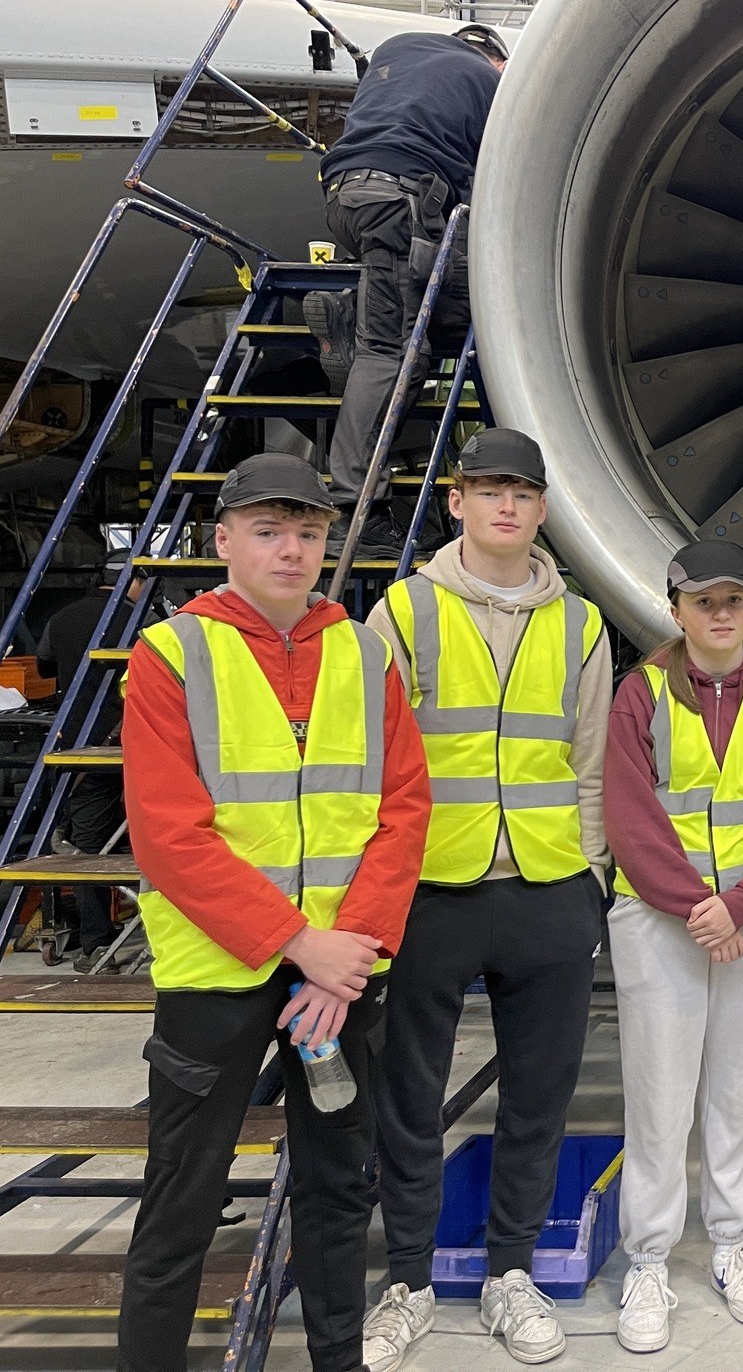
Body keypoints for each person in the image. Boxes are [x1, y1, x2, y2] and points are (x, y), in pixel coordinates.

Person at [116, 454, 429, 1372]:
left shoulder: (365, 653)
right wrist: (299, 943)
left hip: (340, 976)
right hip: (217, 976)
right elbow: (169, 834)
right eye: (267, 532)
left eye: (308, 533)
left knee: (338, 1192)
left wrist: (346, 953)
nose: (291, 551)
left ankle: (338, 1360)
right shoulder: (173, 654)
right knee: (181, 1200)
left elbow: (404, 810)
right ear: (223, 541)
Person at [357, 429, 612, 1369]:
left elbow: (590, 763)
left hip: (547, 889)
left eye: (523, 492)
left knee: (538, 1098)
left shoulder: (581, 625)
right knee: (409, 1096)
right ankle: (409, 1281)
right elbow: (372, 759)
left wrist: (591, 881)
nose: (506, 505)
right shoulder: (404, 611)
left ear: (543, 510)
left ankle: (512, 1272)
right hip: (432, 890)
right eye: (489, 489)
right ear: (456, 501)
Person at [603, 538, 743, 1353]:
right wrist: (701, 906)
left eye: (733, 599)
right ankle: (649, 1260)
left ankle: (731, 1244)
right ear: (676, 609)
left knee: (735, 1087)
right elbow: (629, 814)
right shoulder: (639, 694)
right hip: (661, 920)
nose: (720, 614)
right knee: (658, 1095)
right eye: (703, 601)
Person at [306, 22, 507, 559]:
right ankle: (355, 512)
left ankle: (353, 313)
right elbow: (496, 181)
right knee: (396, 355)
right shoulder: (488, 82)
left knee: (417, 295)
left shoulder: (398, 50)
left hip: (344, 197)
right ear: (497, 61)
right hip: (400, 202)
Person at [35, 547, 151, 969]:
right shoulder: (142, 623)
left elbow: (44, 668)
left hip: (82, 744)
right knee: (154, 837)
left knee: (87, 847)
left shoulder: (62, 617)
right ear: (134, 581)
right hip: (142, 745)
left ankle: (96, 945)